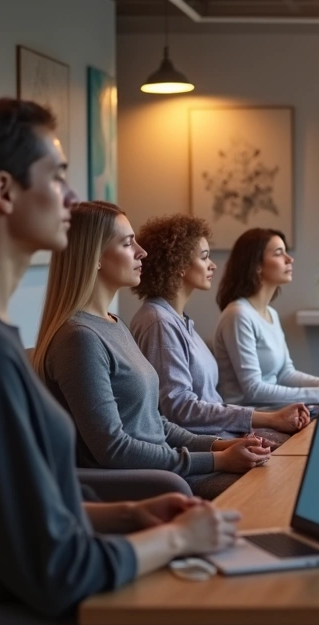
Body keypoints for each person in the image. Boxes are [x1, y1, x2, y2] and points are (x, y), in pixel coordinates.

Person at [0, 98, 237, 618]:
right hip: (41, 608)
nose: (71, 198)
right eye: (56, 178)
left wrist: (129, 511)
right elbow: (57, 569)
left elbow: (24, 507)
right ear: (4, 192)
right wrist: (174, 539)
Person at [34, 202, 271, 500]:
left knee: (273, 474)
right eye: (126, 242)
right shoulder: (79, 338)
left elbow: (154, 423)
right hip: (148, 482)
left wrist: (216, 445)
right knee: (267, 489)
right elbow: (113, 448)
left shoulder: (114, 325)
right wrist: (217, 460)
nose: (141, 251)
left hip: (168, 467)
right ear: (94, 256)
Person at [130, 214, 310, 443]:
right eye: (204, 257)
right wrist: (268, 419)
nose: (212, 265)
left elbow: (207, 402)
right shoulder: (158, 322)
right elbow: (180, 410)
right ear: (179, 264)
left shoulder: (179, 320)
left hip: (225, 437)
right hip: (205, 450)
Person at [215, 228, 319, 408]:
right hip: (249, 422)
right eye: (279, 253)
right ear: (256, 265)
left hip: (277, 413)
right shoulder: (238, 315)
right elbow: (253, 389)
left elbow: (285, 374)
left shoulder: (271, 313)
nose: (289, 259)